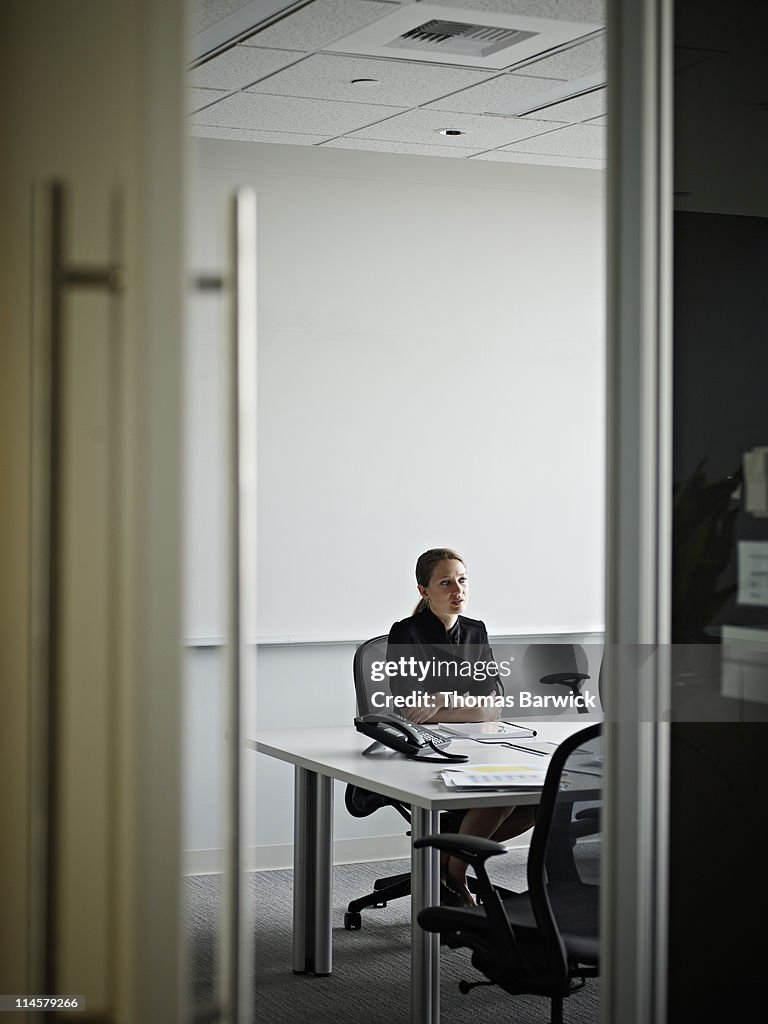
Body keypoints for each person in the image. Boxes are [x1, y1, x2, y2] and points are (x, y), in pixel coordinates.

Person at [386, 548, 535, 907]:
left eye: (463, 580)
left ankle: (449, 862)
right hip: (425, 748)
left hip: (480, 742)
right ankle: (455, 876)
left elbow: (493, 705)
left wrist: (439, 699)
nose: (458, 590)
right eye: (446, 583)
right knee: (498, 798)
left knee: (536, 802)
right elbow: (412, 711)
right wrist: (462, 705)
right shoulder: (406, 633)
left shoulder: (475, 630)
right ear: (424, 591)